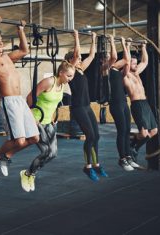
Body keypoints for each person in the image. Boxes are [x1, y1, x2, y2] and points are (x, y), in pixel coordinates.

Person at [0, 16, 40, 178]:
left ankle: (6, 157)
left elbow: (24, 50)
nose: (1, 42)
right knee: (19, 141)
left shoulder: (8, 57)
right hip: (9, 102)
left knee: (34, 138)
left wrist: (20, 31)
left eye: (2, 40)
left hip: (20, 101)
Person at [19, 61, 75, 192]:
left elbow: (54, 104)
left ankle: (30, 173)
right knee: (46, 151)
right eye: (68, 75)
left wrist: (53, 118)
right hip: (37, 121)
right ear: (61, 73)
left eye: (72, 76)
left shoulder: (62, 85)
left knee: (53, 154)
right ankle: (28, 174)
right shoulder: (49, 82)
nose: (70, 79)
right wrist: (31, 117)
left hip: (48, 122)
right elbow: (29, 98)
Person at [65, 30, 108, 181]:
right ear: (70, 60)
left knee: (96, 136)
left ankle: (96, 165)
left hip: (87, 107)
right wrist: (76, 37)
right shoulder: (70, 72)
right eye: (76, 59)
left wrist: (93, 39)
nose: (78, 60)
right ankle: (87, 166)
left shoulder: (81, 69)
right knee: (89, 136)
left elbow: (91, 55)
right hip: (78, 108)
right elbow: (77, 53)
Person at [104, 36, 140, 171]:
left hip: (124, 103)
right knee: (121, 131)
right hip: (116, 104)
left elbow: (127, 61)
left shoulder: (118, 72)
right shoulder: (105, 68)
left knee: (127, 130)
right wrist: (116, 42)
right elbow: (122, 58)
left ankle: (128, 156)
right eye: (106, 55)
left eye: (109, 55)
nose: (110, 57)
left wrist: (128, 45)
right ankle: (122, 159)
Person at [123, 40, 159, 161]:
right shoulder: (126, 75)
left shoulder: (137, 72)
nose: (135, 64)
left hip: (145, 104)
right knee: (143, 134)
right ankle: (132, 146)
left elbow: (145, 61)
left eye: (135, 62)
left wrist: (143, 47)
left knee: (153, 131)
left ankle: (133, 147)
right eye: (132, 63)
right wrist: (127, 46)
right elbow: (126, 61)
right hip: (137, 104)